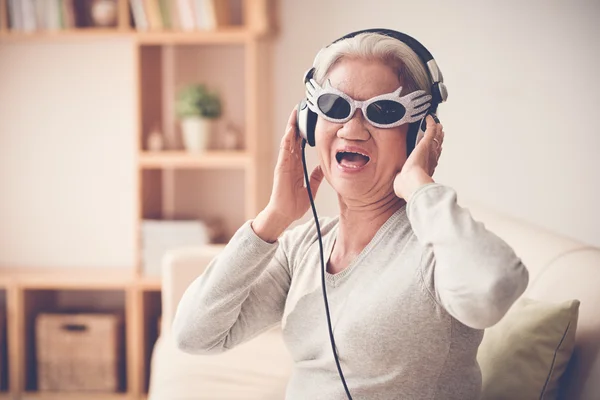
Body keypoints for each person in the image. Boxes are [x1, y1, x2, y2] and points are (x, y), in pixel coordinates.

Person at [172, 30, 529, 400]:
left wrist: (421, 188)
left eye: (384, 112)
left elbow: (494, 288)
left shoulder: (435, 248)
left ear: (418, 133)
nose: (352, 129)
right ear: (310, 124)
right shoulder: (302, 249)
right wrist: (274, 218)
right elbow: (195, 335)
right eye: (334, 106)